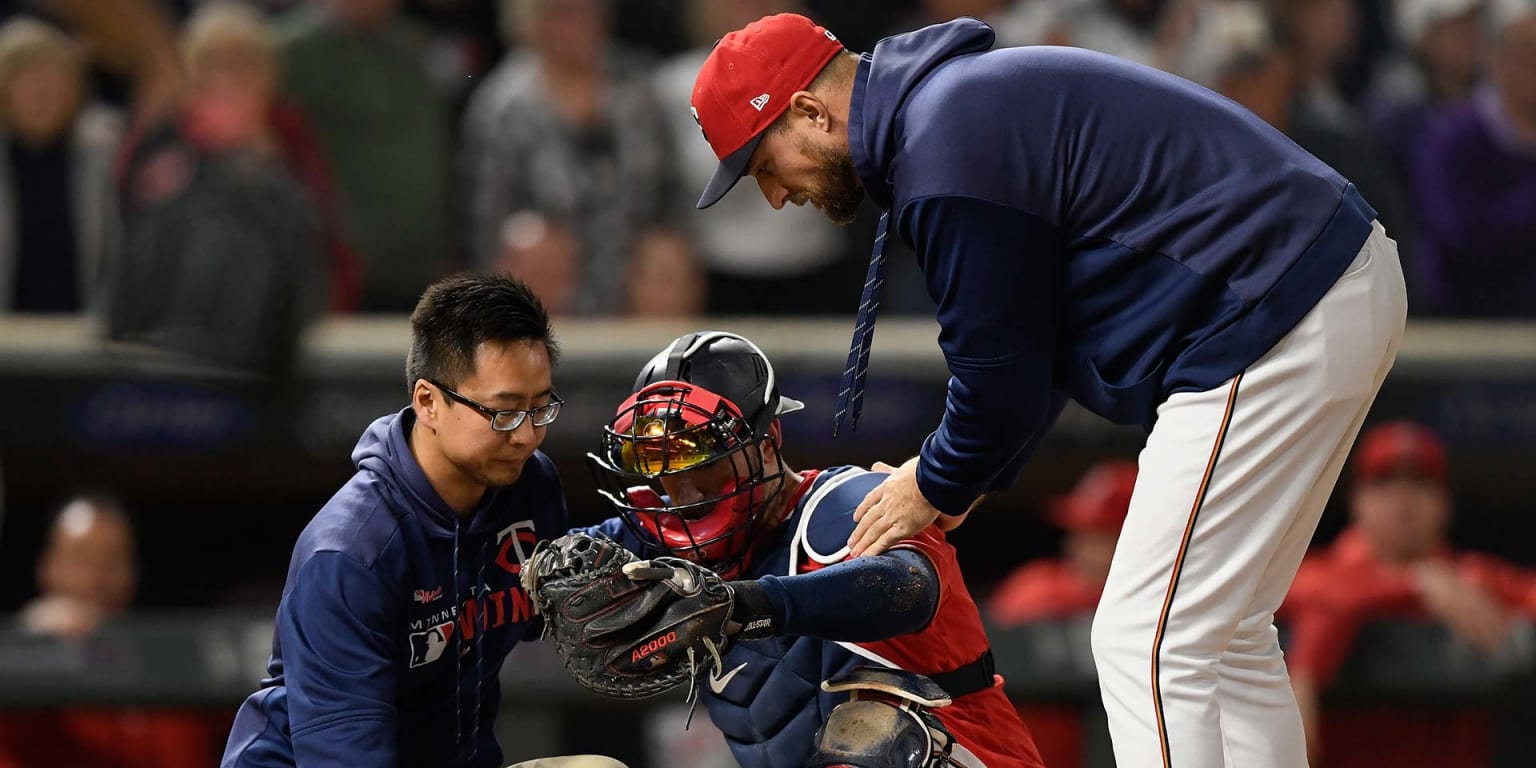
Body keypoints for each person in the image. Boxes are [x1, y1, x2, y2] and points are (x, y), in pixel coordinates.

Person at [688, 13, 1407, 766]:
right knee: (1221, 635)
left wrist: (932, 483)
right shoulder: (948, 111)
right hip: (1318, 284)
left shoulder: (944, 138)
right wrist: (953, 483)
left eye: (763, 163)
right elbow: (1037, 346)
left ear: (808, 111)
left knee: (1143, 639)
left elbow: (998, 376)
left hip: (1270, 307)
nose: (773, 194)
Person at [583, 330, 1045, 768]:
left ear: (765, 447)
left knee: (874, 741)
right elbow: (561, 558)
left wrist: (749, 604)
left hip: (973, 752)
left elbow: (910, 589)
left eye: (696, 451)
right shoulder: (663, 539)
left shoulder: (845, 502)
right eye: (654, 458)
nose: (679, 484)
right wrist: (549, 566)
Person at [221, 273, 571, 768]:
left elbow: (564, 608)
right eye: (505, 412)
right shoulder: (350, 554)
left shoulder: (527, 486)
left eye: (541, 409)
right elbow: (345, 758)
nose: (528, 435)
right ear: (428, 402)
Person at [1282, 420, 1536, 767]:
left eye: (1420, 482)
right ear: (1357, 500)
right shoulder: (1317, 575)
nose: (1403, 499)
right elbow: (1294, 594)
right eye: (1385, 482)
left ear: (1445, 503)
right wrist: (1410, 585)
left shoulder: (1471, 579)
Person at [0, 494, 223, 768]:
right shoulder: (22, 668)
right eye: (82, 559)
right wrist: (28, 642)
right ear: (48, 569)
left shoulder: (169, 664)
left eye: (112, 559)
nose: (98, 577)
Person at [987, 460, 1135, 627]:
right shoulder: (1038, 588)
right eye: (1078, 530)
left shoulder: (1153, 599)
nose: (1077, 544)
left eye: (1098, 533)